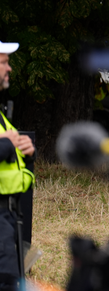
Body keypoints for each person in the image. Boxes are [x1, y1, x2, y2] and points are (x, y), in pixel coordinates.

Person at [0, 40, 35, 290]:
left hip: (9, 215)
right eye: (4, 62)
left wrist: (27, 152)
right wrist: (7, 144)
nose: (9, 68)